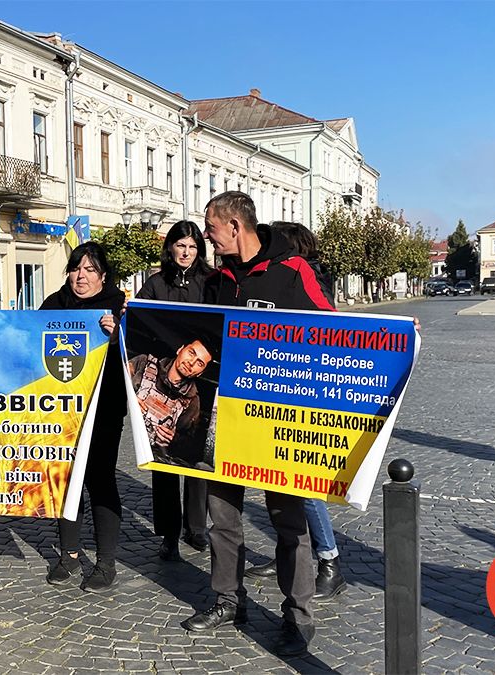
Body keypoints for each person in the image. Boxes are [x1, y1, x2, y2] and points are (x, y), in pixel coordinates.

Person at [189, 192, 335, 657]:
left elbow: (335, 330)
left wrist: (395, 338)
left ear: (235, 226)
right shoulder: (217, 281)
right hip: (226, 418)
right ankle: (229, 599)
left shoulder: (293, 271)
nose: (207, 236)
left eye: (211, 228)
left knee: (289, 524)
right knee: (222, 519)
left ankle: (297, 617)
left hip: (279, 420)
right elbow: (199, 334)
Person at [245, 222, 347, 601]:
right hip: (274, 392)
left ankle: (330, 562)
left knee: (303, 484)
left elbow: (335, 327)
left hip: (304, 394)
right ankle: (286, 552)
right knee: (277, 483)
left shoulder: (306, 277)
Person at [41, 241, 128, 592]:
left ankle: (106, 562)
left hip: (104, 405)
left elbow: (136, 357)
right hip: (61, 409)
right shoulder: (54, 304)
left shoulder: (117, 307)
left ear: (103, 275)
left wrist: (118, 336)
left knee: (100, 480)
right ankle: (69, 554)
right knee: (65, 479)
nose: (81, 276)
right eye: (76, 268)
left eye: (90, 269)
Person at [135, 221, 213, 559]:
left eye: (193, 247)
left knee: (196, 459)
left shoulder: (210, 283)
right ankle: (168, 532)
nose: (186, 253)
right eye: (181, 246)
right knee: (163, 461)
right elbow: (138, 322)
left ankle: (196, 528)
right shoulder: (155, 283)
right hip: (161, 378)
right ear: (170, 248)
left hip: (199, 383)